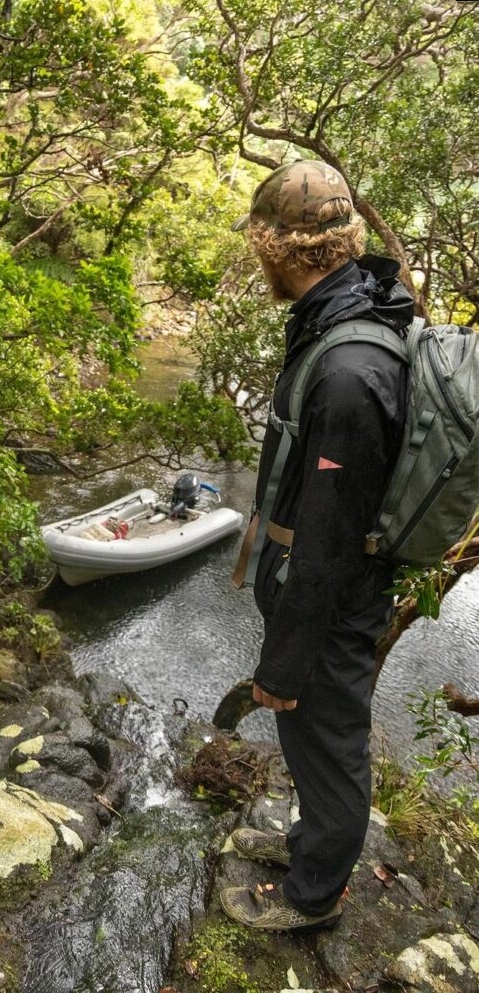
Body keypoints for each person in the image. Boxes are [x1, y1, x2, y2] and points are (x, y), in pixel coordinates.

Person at [220, 161, 414, 932]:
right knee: (311, 734)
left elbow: (329, 540)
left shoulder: (345, 369)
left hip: (331, 598)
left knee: (328, 742)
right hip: (326, 585)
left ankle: (312, 898)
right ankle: (308, 848)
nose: (254, 256)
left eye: (258, 243)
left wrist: (284, 660)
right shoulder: (342, 316)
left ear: (285, 249)